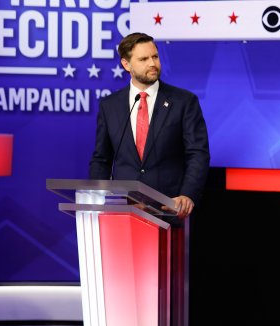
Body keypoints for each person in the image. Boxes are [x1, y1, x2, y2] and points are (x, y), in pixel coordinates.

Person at [89, 32, 210, 218]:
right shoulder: (110, 106)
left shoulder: (184, 102)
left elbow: (198, 154)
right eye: (144, 59)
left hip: (169, 210)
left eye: (155, 56)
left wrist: (187, 195)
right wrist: (96, 198)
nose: (152, 63)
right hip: (123, 212)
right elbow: (101, 159)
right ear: (126, 64)